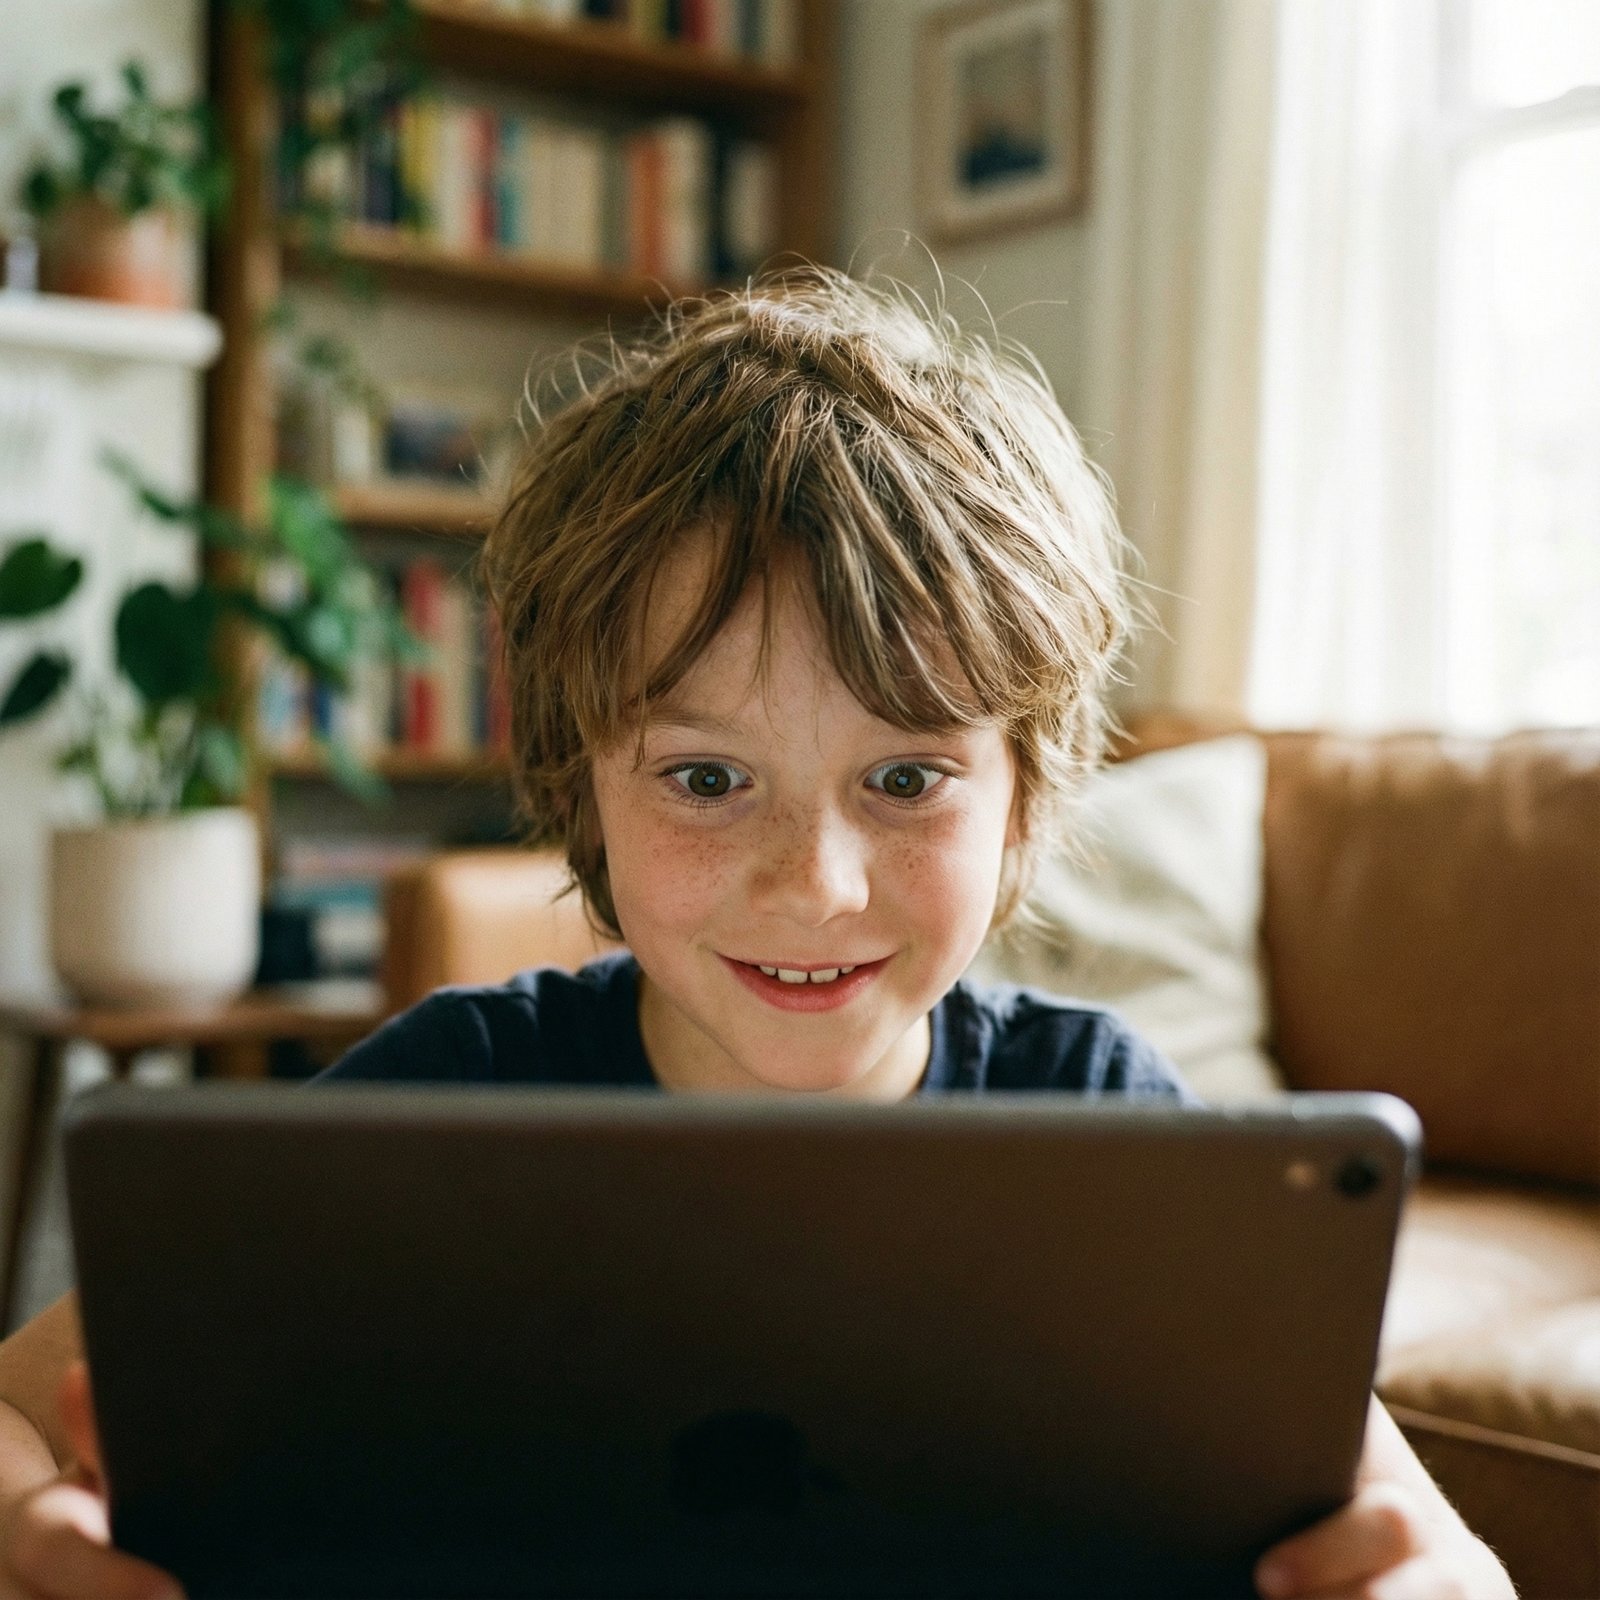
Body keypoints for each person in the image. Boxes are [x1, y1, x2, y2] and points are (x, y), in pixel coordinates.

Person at [0, 269, 1512, 1599]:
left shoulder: (1115, 1135)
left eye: (906, 780)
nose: (816, 886)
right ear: (581, 782)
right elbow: (17, 1408)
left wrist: (1428, 1574)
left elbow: (1420, 1539)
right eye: (708, 780)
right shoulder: (441, 1110)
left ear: (1024, 795)